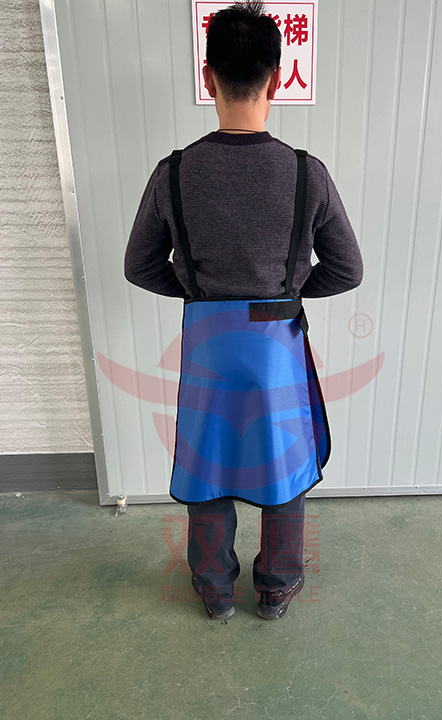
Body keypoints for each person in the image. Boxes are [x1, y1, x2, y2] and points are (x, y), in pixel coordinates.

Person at [124, 0, 363, 621]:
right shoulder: (305, 173)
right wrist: (287, 291)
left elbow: (139, 265)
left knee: (208, 464)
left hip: (207, 341)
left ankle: (213, 589)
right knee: (282, 463)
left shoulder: (174, 173)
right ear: (277, 79)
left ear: (208, 78)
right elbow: (347, 269)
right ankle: (277, 587)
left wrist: (197, 291)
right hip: (274, 340)